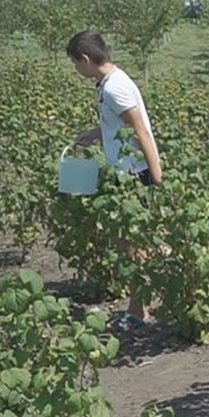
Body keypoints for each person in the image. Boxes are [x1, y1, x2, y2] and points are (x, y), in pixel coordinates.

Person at [68, 30, 163, 331]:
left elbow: (140, 130)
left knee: (130, 245)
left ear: (85, 59)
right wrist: (97, 134)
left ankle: (138, 311)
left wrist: (156, 176)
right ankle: (146, 294)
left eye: (75, 63)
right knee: (129, 241)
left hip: (132, 174)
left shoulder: (114, 88)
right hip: (126, 172)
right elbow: (121, 125)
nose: (76, 69)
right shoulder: (110, 82)